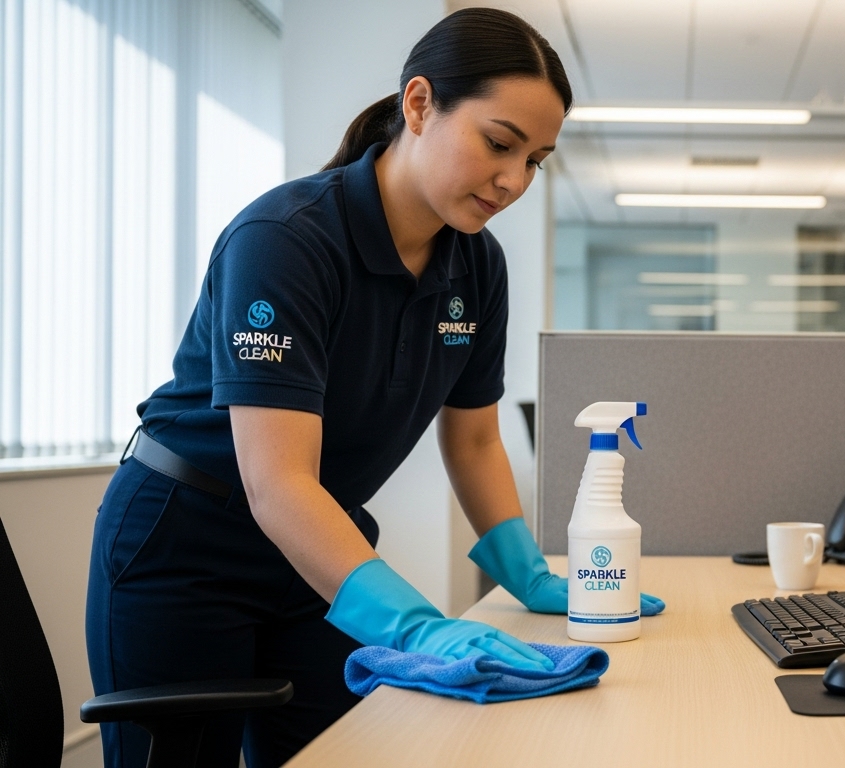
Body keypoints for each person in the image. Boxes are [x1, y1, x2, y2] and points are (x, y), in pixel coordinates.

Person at [85, 8, 661, 767]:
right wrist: (419, 627)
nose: (513, 180)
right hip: (188, 547)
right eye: (499, 144)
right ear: (418, 105)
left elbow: (476, 435)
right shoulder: (286, 241)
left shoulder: (477, 267)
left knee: (348, 752)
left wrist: (525, 571)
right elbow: (278, 483)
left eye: (537, 160)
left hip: (318, 552)